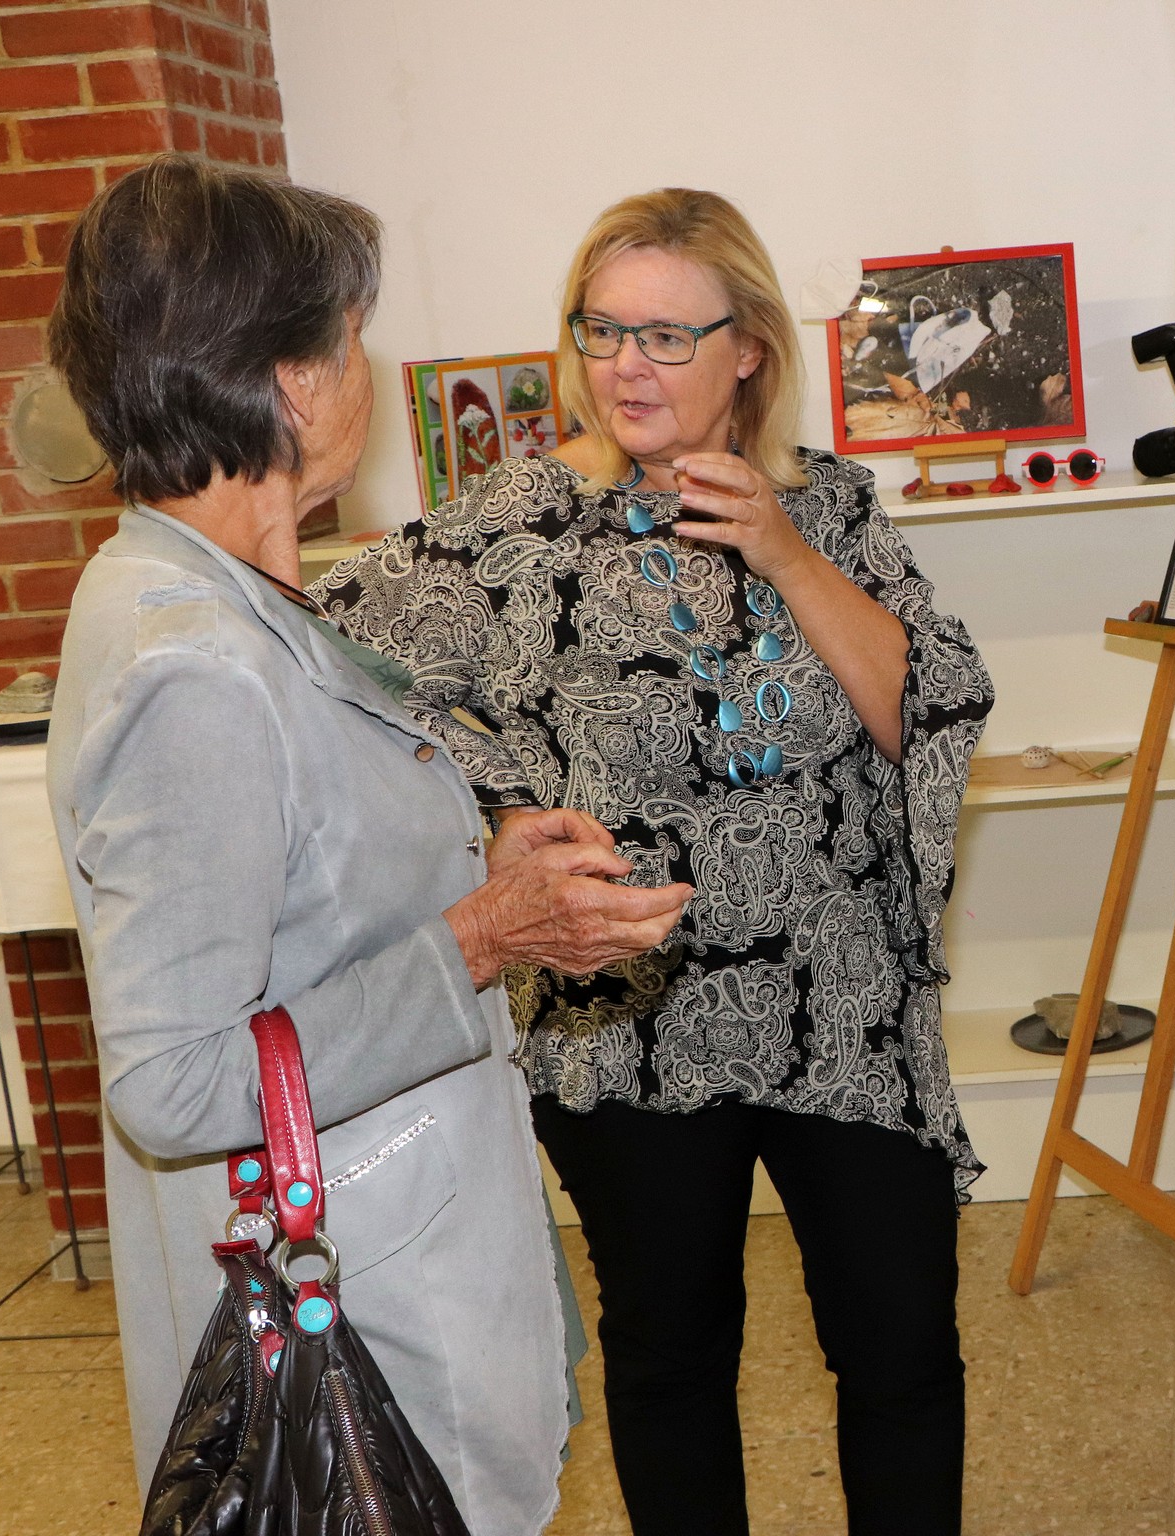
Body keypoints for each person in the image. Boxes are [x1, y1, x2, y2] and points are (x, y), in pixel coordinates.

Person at [317, 188, 994, 1535]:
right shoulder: (517, 522)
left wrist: (784, 551)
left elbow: (930, 705)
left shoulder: (832, 507)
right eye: (604, 329)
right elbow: (334, 670)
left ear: (748, 349)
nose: (628, 365)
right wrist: (494, 818)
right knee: (670, 1356)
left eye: (668, 336)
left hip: (844, 1007)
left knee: (902, 1347)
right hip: (626, 1020)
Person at [43, 156, 692, 1536]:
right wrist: (486, 937)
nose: (365, 370)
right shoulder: (192, 664)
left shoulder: (221, 587)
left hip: (389, 1236)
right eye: (350, 338)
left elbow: (298, 879)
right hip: (359, 1302)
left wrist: (477, 857)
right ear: (290, 382)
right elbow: (174, 1078)